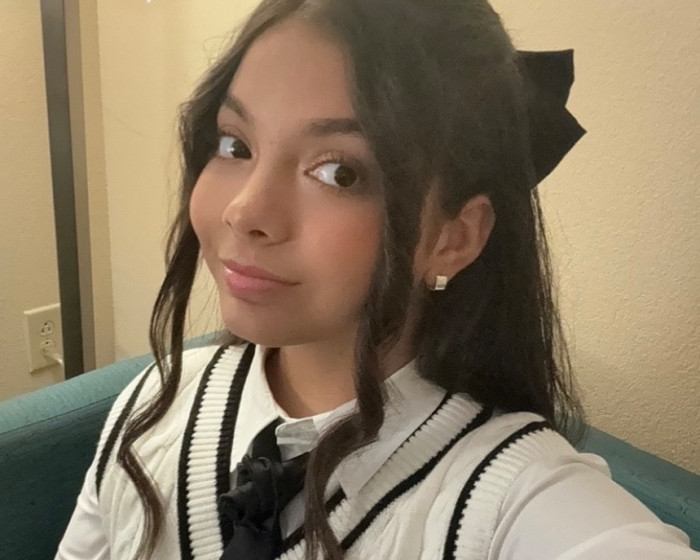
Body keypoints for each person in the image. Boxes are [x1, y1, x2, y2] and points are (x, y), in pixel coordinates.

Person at [57, 0, 698, 559]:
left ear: (454, 238)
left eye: (339, 172)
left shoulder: (506, 499)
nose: (245, 211)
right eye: (235, 144)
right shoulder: (157, 402)